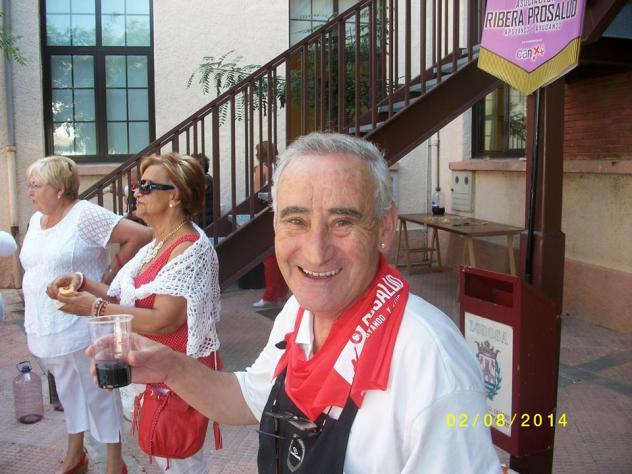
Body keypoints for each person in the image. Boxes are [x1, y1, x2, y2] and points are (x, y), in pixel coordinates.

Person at [84, 133, 502, 473]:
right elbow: (248, 397)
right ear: (275, 226)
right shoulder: (299, 312)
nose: (316, 253)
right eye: (296, 220)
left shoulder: (431, 362)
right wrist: (169, 367)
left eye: (342, 221)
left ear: (384, 228)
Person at [50, 152, 222, 474]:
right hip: (157, 371)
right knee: (167, 458)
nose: (136, 192)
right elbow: (123, 296)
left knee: (181, 461)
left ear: (175, 196)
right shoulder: (157, 244)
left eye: (146, 186)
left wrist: (95, 307)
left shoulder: (190, 247)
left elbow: (164, 320)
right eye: (137, 185)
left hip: (179, 376)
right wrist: (83, 283)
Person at [19, 155, 152, 474]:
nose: (29, 191)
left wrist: (111, 273)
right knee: (68, 390)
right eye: (29, 185)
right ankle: (76, 453)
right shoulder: (37, 220)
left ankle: (115, 462)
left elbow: (140, 235)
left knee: (99, 393)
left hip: (83, 324)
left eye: (36, 185)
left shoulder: (84, 214)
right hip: (49, 325)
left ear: (59, 188)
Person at [252, 141, 289, 309]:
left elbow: (256, 194)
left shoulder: (262, 169)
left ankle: (269, 296)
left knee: (268, 258)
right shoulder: (279, 167)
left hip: (265, 215)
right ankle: (281, 292)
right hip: (278, 212)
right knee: (279, 253)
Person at [191, 152, 213, 228]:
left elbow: (193, 192)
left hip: (206, 218)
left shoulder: (206, 179)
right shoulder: (202, 178)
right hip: (201, 217)